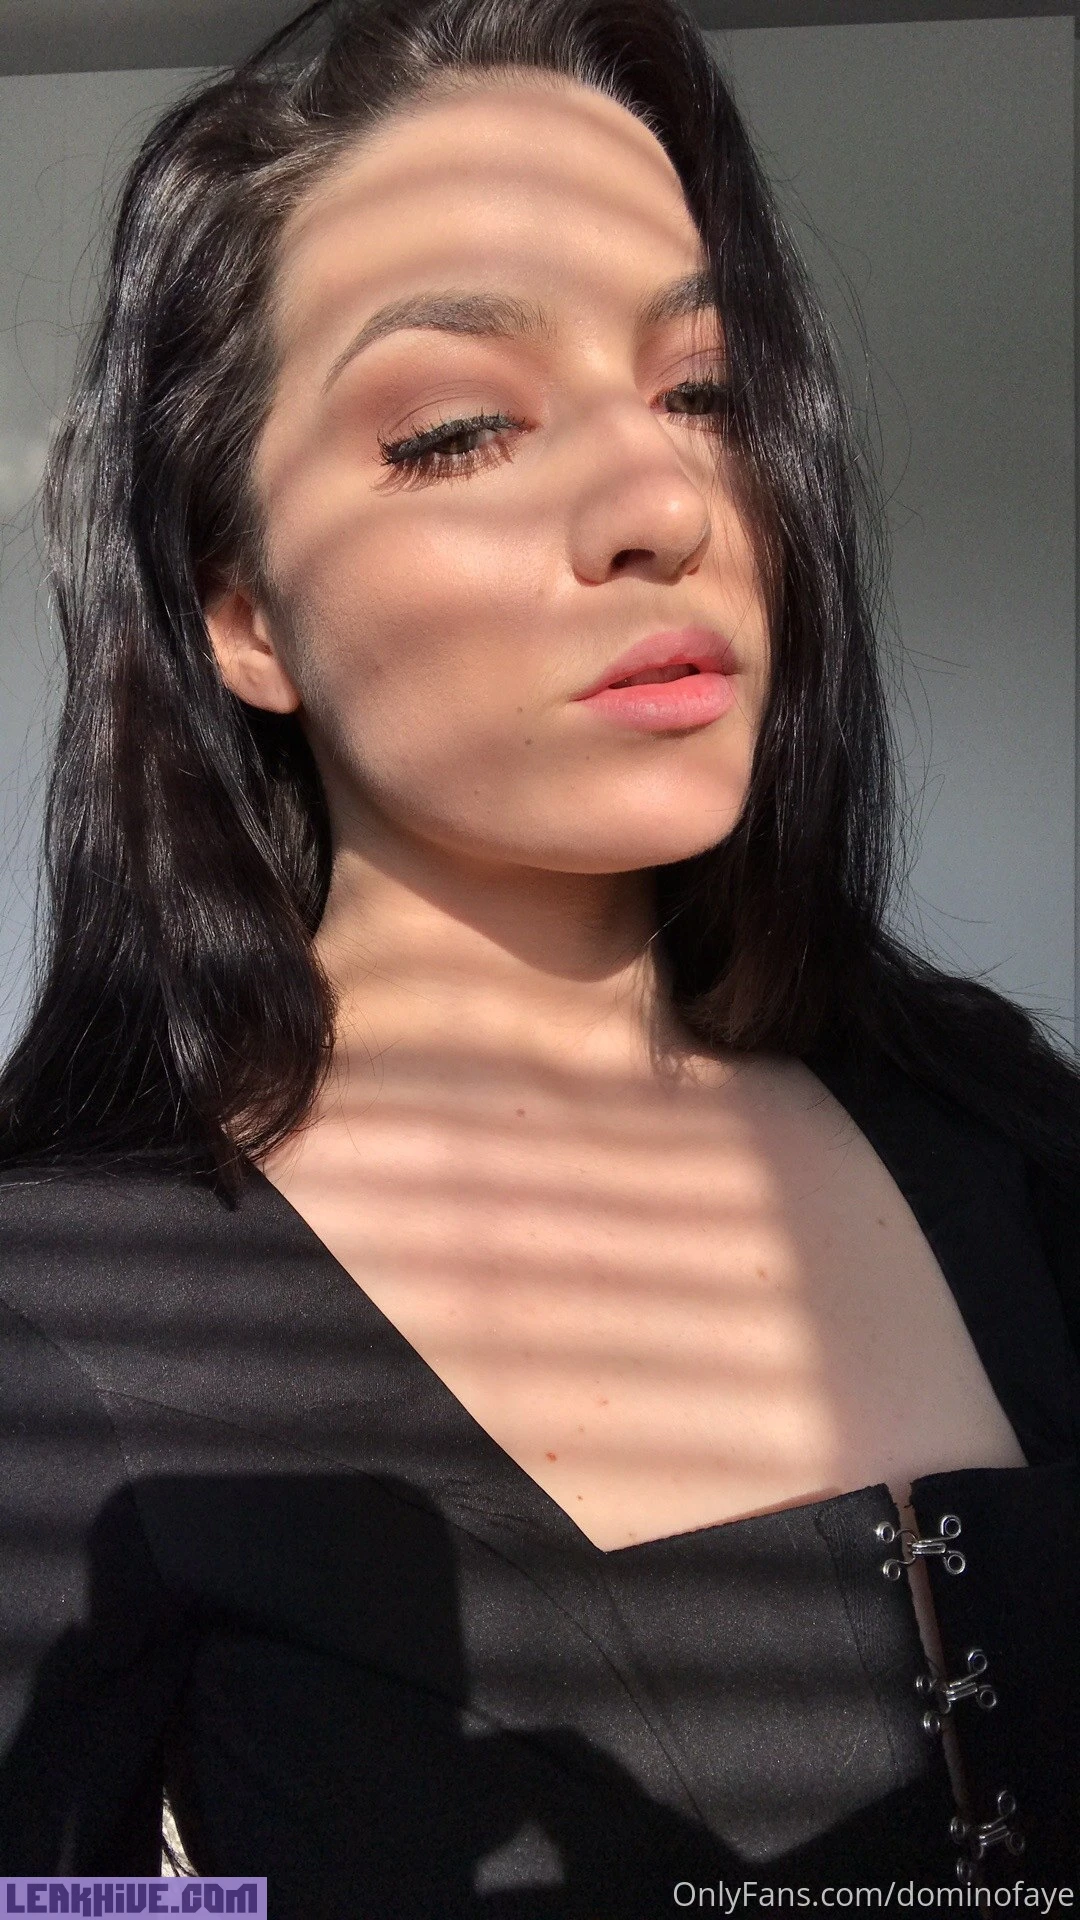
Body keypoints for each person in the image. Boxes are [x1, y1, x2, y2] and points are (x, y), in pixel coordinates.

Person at [0, 0, 1076, 1906]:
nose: (669, 505)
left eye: (704, 395)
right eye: (458, 430)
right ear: (242, 612)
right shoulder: (68, 1303)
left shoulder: (986, 1113)